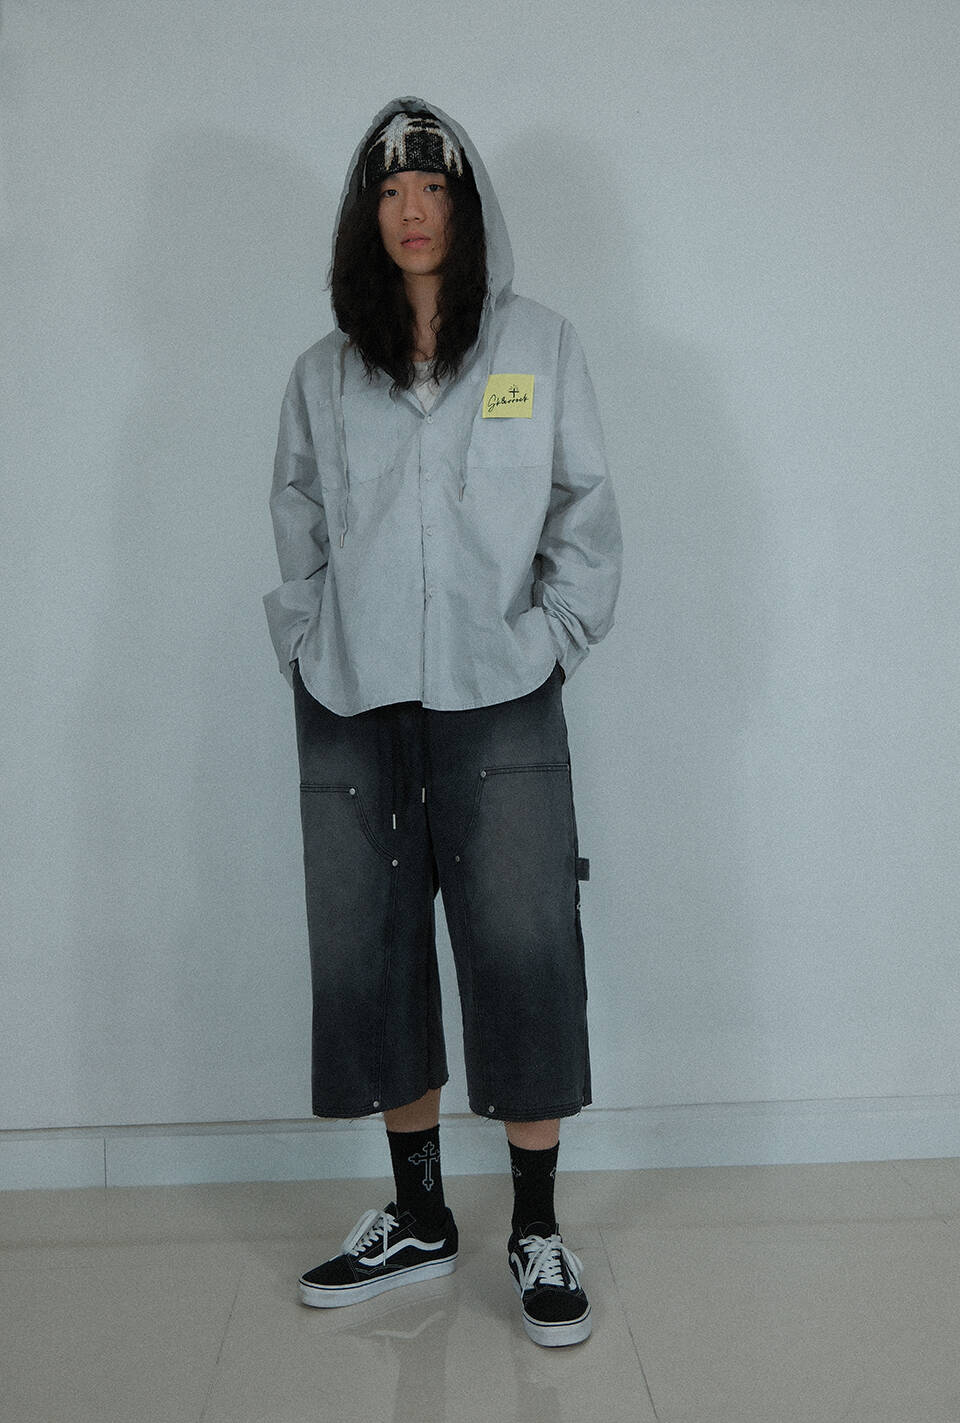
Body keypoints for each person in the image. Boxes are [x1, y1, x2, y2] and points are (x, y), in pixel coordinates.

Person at [264, 98, 621, 1348]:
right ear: (366, 216)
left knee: (525, 945)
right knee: (372, 951)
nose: (412, 211)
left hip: (501, 694)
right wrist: (306, 641)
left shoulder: (539, 344)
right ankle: (418, 1213)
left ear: (465, 208)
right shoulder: (325, 371)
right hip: (353, 699)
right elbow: (300, 518)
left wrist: (555, 637)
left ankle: (535, 1225)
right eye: (389, 192)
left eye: (432, 189)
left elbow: (583, 508)